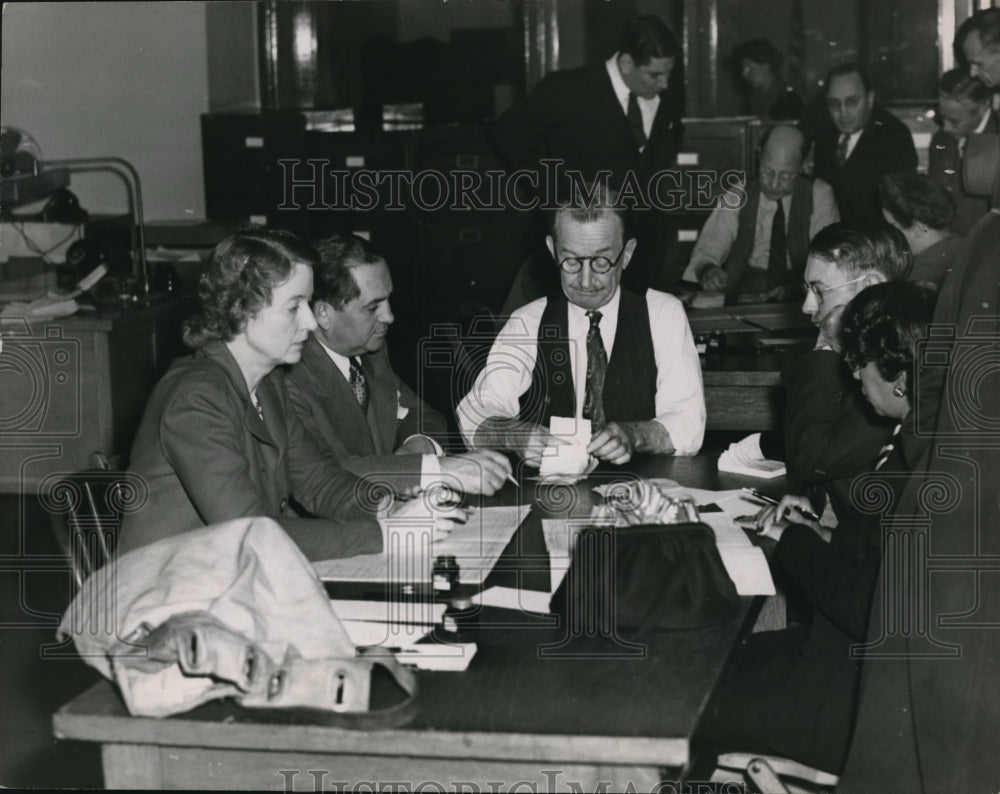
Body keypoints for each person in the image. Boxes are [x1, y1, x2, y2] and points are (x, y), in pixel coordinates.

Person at [699, 280, 937, 775]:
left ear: (899, 378)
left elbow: (871, 609)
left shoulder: (923, 467)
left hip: (852, 705)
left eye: (859, 363)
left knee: (685, 700)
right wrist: (822, 533)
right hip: (848, 667)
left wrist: (793, 541)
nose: (851, 373)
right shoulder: (921, 440)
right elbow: (884, 565)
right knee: (708, 661)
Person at [120, 228, 463, 562]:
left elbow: (319, 480)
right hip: (166, 597)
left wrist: (388, 506)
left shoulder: (269, 385)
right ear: (242, 310)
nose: (311, 322)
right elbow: (251, 534)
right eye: (294, 306)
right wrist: (386, 535)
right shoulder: (195, 399)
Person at [457, 187, 705, 464]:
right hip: (554, 496)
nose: (585, 282)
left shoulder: (662, 314)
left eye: (601, 262)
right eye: (572, 261)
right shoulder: (529, 321)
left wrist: (632, 434)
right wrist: (513, 435)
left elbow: (689, 423)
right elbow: (473, 411)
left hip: (642, 489)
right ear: (553, 250)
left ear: (627, 254)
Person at [285, 233, 512, 497]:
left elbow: (423, 416)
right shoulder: (291, 377)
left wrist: (417, 443)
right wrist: (435, 469)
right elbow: (325, 473)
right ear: (323, 314)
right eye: (373, 308)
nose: (390, 316)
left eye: (388, 299)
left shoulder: (370, 351)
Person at [488, 15, 684, 291]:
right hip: (582, 241)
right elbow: (508, 132)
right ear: (627, 63)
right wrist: (557, 191)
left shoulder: (666, 91)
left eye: (668, 74)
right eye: (655, 75)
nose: (664, 84)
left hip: (642, 248)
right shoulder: (569, 88)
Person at [781, 222, 913, 526]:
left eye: (819, 290)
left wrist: (826, 345)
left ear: (869, 287)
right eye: (806, 290)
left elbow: (810, 461)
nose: (806, 306)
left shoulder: (892, 368)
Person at [682, 124, 838, 298]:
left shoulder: (820, 194)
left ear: (802, 167)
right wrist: (707, 270)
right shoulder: (739, 193)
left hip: (800, 290)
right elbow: (708, 248)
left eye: (786, 176)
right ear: (759, 156)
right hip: (746, 288)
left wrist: (794, 288)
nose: (774, 184)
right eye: (768, 172)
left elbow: (830, 260)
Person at [812, 63, 918, 223]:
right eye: (834, 104)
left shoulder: (894, 137)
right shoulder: (825, 134)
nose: (842, 113)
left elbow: (898, 211)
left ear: (870, 99)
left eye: (852, 102)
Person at [927, 69, 997, 235]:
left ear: (981, 109)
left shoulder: (997, 141)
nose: (945, 127)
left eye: (954, 121)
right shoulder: (941, 141)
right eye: (941, 117)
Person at [878, 171, 962, 287]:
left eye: (891, 226)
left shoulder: (919, 280)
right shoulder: (961, 244)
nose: (888, 235)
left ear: (918, 229)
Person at [728, 38, 804, 121]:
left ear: (766, 65)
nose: (744, 74)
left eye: (750, 67)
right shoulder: (755, 99)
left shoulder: (788, 101)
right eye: (743, 68)